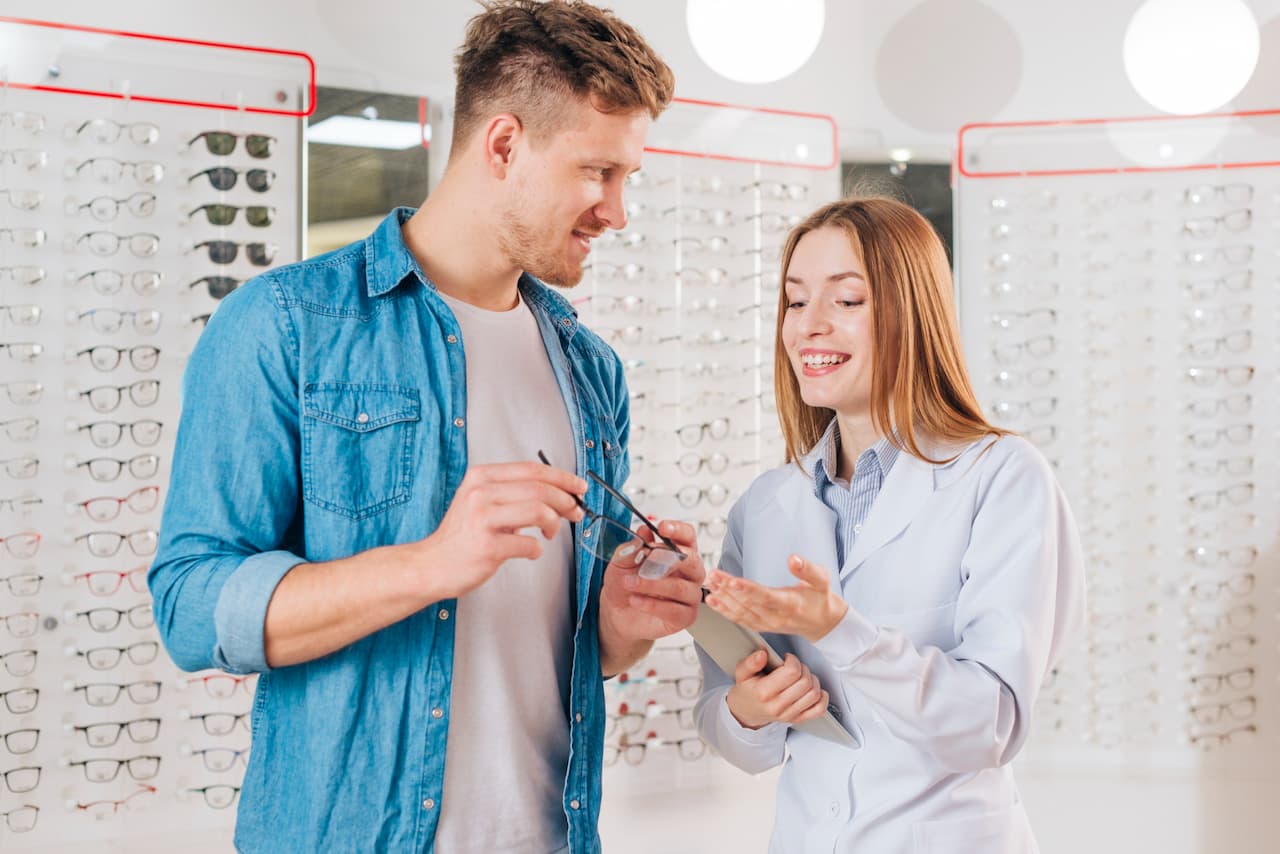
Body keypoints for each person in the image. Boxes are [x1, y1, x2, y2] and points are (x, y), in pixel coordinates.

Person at [150, 3, 705, 851]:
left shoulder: (593, 371)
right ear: (505, 145)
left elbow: (567, 656)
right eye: (599, 172)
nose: (616, 212)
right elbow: (190, 607)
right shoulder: (285, 326)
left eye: (627, 178)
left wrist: (621, 624)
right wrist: (430, 565)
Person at [693, 197, 1085, 853]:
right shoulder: (764, 508)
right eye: (795, 302)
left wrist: (836, 630)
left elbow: (991, 723)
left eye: (846, 301)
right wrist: (752, 709)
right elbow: (729, 729)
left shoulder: (1002, 478)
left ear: (911, 314)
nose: (810, 326)